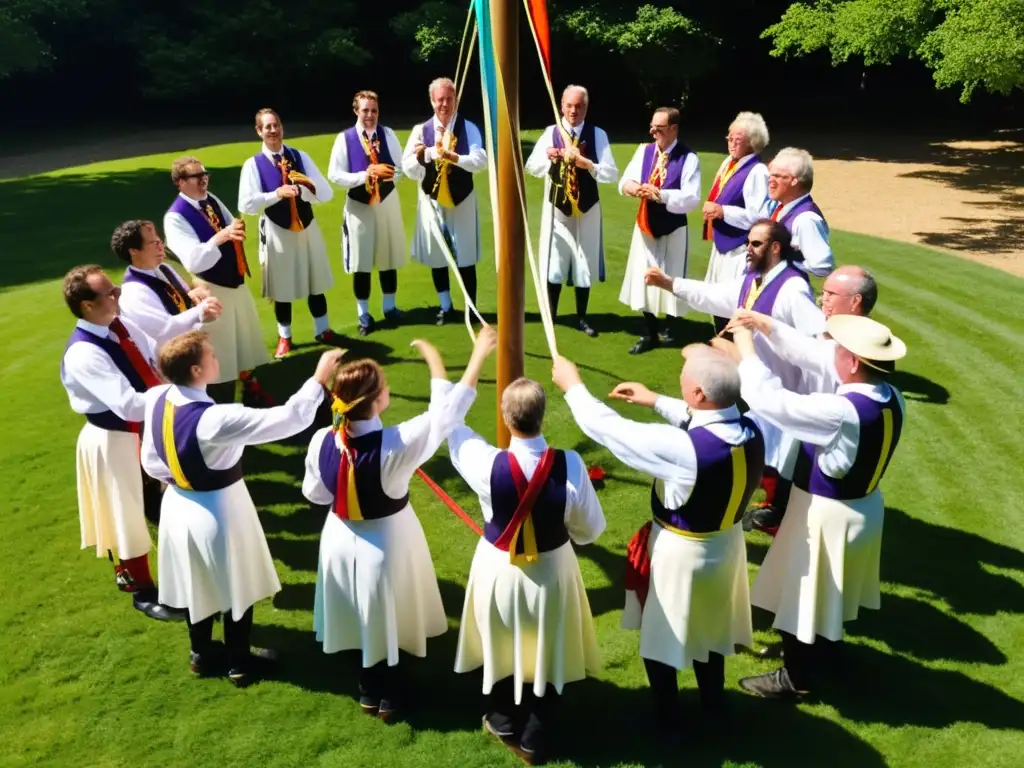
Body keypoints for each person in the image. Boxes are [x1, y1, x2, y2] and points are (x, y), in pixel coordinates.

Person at [552, 346, 763, 743]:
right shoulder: (750, 426)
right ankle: (714, 704)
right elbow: (702, 418)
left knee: (661, 636)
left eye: (685, 376)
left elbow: (611, 430)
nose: (679, 376)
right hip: (728, 544)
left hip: (684, 551)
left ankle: (668, 722)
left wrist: (573, 386)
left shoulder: (685, 450)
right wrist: (655, 400)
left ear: (699, 393)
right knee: (714, 629)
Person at [304, 326, 498, 722]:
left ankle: (367, 690)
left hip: (340, 536)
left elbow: (316, 494)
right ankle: (389, 696)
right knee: (386, 610)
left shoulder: (323, 439)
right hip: (387, 538)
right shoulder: (395, 443)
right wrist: (475, 355)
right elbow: (445, 416)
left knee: (361, 611)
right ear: (377, 402)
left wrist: (435, 360)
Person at [141, 331, 344, 686]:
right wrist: (319, 377)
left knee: (195, 582)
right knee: (237, 584)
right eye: (211, 355)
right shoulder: (217, 418)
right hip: (220, 507)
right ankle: (238, 662)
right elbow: (290, 418)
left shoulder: (157, 398)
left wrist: (183, 477)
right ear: (197, 369)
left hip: (178, 504)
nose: (217, 359)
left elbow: (151, 461)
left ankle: (200, 654)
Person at [724, 318, 906, 699]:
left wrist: (745, 346)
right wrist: (765, 325)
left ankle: (796, 678)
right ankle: (825, 653)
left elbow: (772, 401)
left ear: (854, 362)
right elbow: (810, 354)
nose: (831, 353)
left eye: (839, 350)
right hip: (863, 510)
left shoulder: (841, 409)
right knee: (831, 593)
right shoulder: (891, 394)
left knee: (802, 592)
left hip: (826, 513)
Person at [448, 376, 605, 764]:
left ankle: (502, 717)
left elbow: (454, 430)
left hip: (498, 566)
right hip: (553, 568)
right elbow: (591, 529)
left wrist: (449, 377)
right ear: (543, 415)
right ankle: (535, 733)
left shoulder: (486, 463)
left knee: (499, 634)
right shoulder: (570, 464)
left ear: (504, 415)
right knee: (551, 642)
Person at [646, 219, 824, 534]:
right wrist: (669, 283)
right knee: (761, 442)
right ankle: (765, 500)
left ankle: (779, 510)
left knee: (783, 447)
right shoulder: (753, 280)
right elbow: (714, 294)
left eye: (755, 244)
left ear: (775, 248)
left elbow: (816, 339)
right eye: (748, 243)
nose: (748, 249)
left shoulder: (793, 289)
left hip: (783, 385)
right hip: (753, 380)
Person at [59, 264, 182, 621]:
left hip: (144, 428)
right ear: (86, 305)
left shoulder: (120, 326)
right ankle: (140, 588)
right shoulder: (84, 352)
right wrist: (177, 395)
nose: (118, 296)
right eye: (109, 293)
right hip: (113, 438)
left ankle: (180, 573)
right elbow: (126, 403)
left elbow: (151, 361)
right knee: (125, 511)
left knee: (162, 501)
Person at [728, 264, 879, 534]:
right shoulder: (857, 342)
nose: (824, 299)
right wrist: (759, 321)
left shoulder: (853, 348)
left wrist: (745, 349)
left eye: (832, 293)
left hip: (830, 461)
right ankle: (782, 510)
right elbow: (807, 350)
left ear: (856, 301)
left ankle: (786, 516)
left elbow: (806, 359)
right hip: (851, 480)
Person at [163, 156, 273, 406]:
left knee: (243, 337)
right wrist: (221, 237)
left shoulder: (210, 200)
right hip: (212, 288)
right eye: (196, 176)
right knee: (220, 346)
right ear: (180, 182)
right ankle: (219, 403)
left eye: (205, 174)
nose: (203, 180)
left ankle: (251, 387)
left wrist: (234, 227)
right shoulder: (175, 217)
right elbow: (193, 260)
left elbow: (229, 220)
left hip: (235, 280)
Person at [238, 108, 339, 358]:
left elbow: (326, 194)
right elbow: (246, 204)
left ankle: (323, 329)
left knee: (315, 279)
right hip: (276, 227)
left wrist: (306, 186)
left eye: (276, 125)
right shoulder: (253, 165)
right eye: (267, 127)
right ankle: (285, 336)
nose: (273, 131)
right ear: (259, 131)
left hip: (306, 225)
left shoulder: (299, 156)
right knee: (282, 285)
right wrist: (276, 194)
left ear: (282, 127)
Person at [524, 85, 618, 337]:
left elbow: (611, 174)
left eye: (579, 106)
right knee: (555, 261)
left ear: (586, 107)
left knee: (584, 261)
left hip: (587, 207)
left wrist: (588, 164)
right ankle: (551, 315)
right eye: (569, 105)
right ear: (561, 106)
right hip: (557, 207)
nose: (573, 110)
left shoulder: (597, 134)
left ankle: (582, 317)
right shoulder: (551, 132)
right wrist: (548, 156)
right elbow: (531, 166)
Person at [401, 77, 487, 325]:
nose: (445, 104)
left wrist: (454, 157)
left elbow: (480, 160)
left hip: (462, 199)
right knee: (437, 255)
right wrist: (424, 156)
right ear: (432, 101)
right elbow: (408, 168)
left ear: (456, 99)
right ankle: (446, 307)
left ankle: (472, 310)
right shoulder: (421, 130)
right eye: (440, 100)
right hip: (433, 201)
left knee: (466, 255)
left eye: (450, 99)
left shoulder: (468, 127)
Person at [618, 106, 701, 354]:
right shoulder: (644, 151)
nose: (654, 133)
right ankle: (650, 333)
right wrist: (633, 188)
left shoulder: (689, 158)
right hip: (645, 223)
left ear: (674, 129)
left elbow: (692, 198)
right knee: (644, 275)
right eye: (652, 127)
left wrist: (661, 194)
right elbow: (624, 181)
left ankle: (671, 324)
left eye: (660, 129)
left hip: (673, 226)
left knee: (672, 275)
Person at [327, 90, 406, 337]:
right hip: (359, 206)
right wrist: (365, 175)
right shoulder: (345, 138)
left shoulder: (388, 134)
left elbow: (402, 169)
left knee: (388, 255)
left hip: (386, 202)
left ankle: (390, 308)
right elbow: (334, 175)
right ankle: (364, 314)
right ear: (356, 111)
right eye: (365, 110)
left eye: (373, 110)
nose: (370, 115)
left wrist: (387, 173)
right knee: (360, 262)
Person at [701, 112, 771, 333]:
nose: (731, 142)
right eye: (729, 137)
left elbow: (758, 217)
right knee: (716, 301)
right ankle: (721, 346)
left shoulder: (757, 172)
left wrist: (722, 211)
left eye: (736, 139)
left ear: (752, 142)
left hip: (739, 250)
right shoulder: (729, 163)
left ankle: (732, 354)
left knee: (733, 307)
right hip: (722, 246)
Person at [113, 219, 222, 347]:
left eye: (160, 241)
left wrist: (192, 294)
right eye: (153, 243)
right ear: (133, 251)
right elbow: (163, 331)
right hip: (170, 358)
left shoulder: (164, 269)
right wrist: (199, 312)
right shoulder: (134, 292)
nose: (161, 247)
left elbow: (180, 302)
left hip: (191, 345)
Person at [759, 147, 833, 277]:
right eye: (770, 175)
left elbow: (822, 266)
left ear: (794, 181)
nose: (770, 181)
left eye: (777, 176)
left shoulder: (806, 219)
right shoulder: (782, 207)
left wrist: (783, 265)